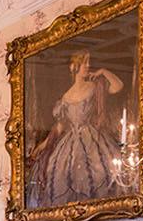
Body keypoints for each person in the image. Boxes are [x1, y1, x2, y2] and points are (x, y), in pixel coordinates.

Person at [27, 50, 124, 207]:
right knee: (60, 173)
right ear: (74, 67)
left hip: (93, 138)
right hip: (69, 143)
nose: (88, 65)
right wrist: (43, 145)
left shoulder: (94, 86)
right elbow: (60, 126)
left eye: (88, 62)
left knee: (99, 172)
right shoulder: (65, 97)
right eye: (84, 62)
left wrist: (103, 71)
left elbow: (118, 86)